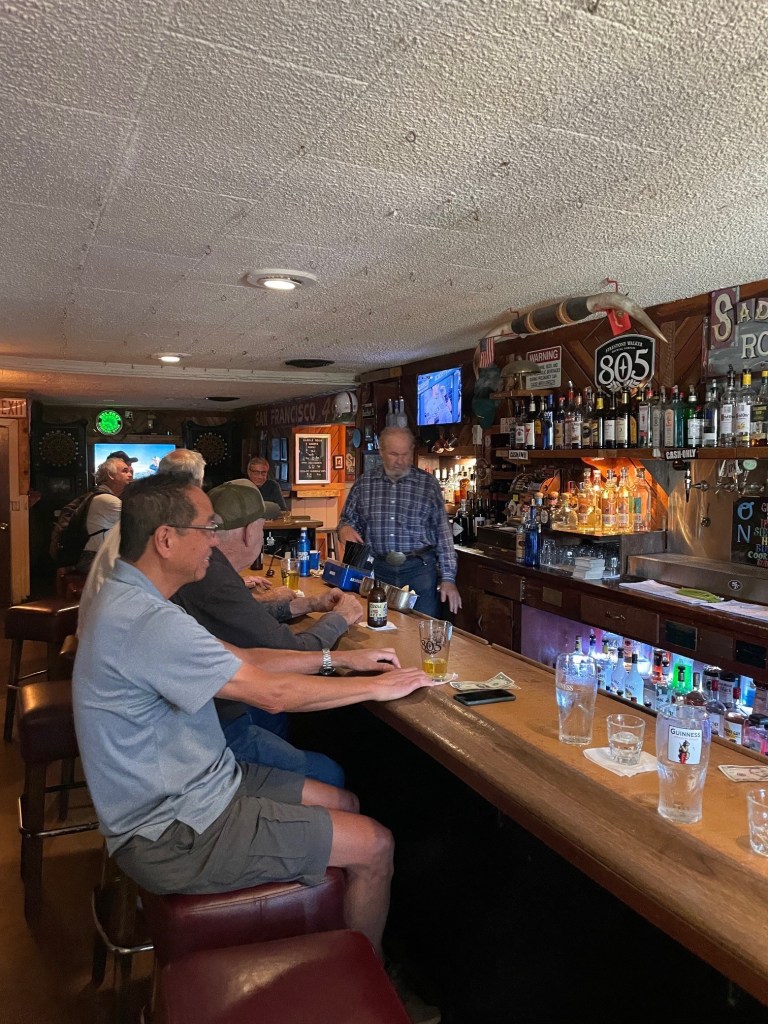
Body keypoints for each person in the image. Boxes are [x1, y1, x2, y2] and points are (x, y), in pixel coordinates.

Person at [72, 473, 437, 964]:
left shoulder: (135, 598)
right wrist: (377, 686)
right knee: (376, 845)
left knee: (344, 799)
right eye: (207, 528)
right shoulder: (146, 621)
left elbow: (246, 659)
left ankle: (317, 950)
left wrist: (339, 662)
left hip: (201, 786)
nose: (214, 542)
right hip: (174, 830)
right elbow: (272, 694)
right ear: (166, 539)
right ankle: (360, 989)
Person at [172, 479, 365, 784]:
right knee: (330, 773)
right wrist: (342, 617)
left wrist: (305, 605)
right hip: (214, 725)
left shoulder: (211, 567)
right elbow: (292, 653)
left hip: (206, 710)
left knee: (280, 717)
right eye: (263, 527)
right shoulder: (213, 577)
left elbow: (238, 617)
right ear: (250, 531)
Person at [338, 426, 461, 619]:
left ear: (412, 451)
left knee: (421, 632)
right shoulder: (365, 483)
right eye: (394, 454)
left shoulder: (427, 485)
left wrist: (448, 579)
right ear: (381, 451)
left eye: (405, 454)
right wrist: (344, 529)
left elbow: (443, 535)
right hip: (378, 570)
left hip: (419, 570)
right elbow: (348, 520)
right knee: (379, 630)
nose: (400, 461)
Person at [75, 456, 133, 572]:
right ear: (110, 475)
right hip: (94, 559)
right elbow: (140, 521)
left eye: (130, 471)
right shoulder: (108, 500)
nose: (130, 475)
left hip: (92, 557)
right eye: (125, 471)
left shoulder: (98, 494)